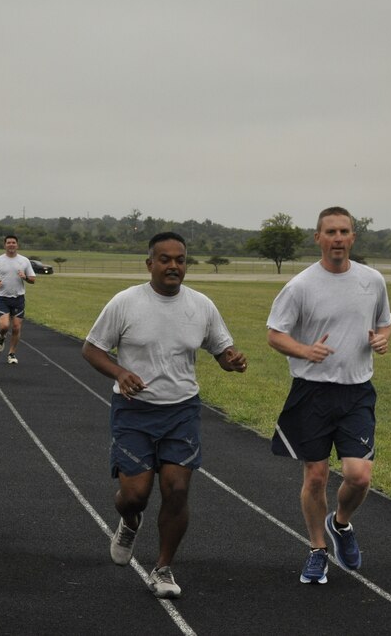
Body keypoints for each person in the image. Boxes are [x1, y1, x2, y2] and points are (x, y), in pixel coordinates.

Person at [82, 232, 247, 599]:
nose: (174, 266)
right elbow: (91, 349)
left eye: (181, 260)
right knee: (135, 495)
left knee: (176, 489)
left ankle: (163, 567)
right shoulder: (125, 302)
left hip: (182, 411)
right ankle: (128, 520)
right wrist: (120, 373)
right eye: (165, 259)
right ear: (150, 264)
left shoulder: (201, 305)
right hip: (134, 412)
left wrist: (232, 361)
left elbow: (222, 349)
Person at [266, 206, 391, 585]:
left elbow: (384, 322)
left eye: (344, 231)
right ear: (317, 238)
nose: (338, 238)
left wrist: (382, 339)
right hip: (312, 393)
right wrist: (304, 351)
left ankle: (340, 524)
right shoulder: (301, 285)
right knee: (317, 476)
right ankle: (317, 550)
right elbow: (275, 334)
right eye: (330, 232)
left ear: (353, 237)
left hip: (357, 392)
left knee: (359, 476)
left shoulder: (373, 280)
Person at [0, 235, 35, 364]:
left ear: (17, 245)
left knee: (17, 328)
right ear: (5, 245)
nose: (11, 245)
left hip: (18, 298)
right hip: (2, 298)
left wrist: (25, 277)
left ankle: (11, 353)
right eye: (9, 243)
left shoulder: (24, 261)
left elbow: (32, 279)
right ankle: (2, 337)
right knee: (4, 326)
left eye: (13, 242)